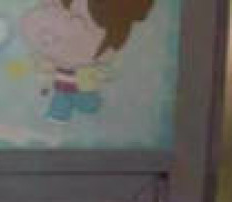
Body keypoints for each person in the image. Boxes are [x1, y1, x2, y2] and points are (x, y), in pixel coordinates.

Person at [19, 0, 155, 123]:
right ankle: (61, 112)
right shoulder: (48, 52)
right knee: (63, 98)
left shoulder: (96, 55)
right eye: (51, 6)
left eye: (74, 19)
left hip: (82, 85)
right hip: (64, 86)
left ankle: (82, 106)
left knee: (85, 100)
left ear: (107, 52)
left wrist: (100, 73)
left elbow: (104, 72)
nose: (48, 34)